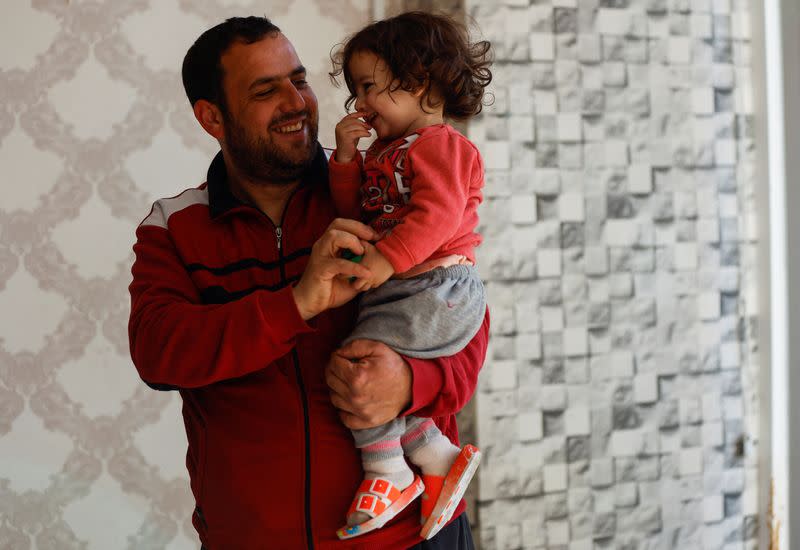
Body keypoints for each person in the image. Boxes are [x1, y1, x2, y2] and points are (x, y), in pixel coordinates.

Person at [127, 15, 489, 550]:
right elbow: (159, 354)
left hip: (412, 540)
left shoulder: (380, 189)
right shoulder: (174, 228)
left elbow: (464, 324)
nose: (297, 102)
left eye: (298, 80)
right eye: (265, 90)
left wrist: (411, 384)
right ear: (212, 118)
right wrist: (294, 305)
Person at [326, 12, 492, 541]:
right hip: (404, 284)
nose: (361, 104)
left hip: (436, 286)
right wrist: (349, 160)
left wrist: (385, 260)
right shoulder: (383, 153)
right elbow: (357, 214)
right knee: (370, 368)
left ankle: (390, 472)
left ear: (418, 81)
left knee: (359, 365)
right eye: (355, 93)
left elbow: (437, 217)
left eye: (369, 87)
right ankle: (435, 454)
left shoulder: (441, 146)